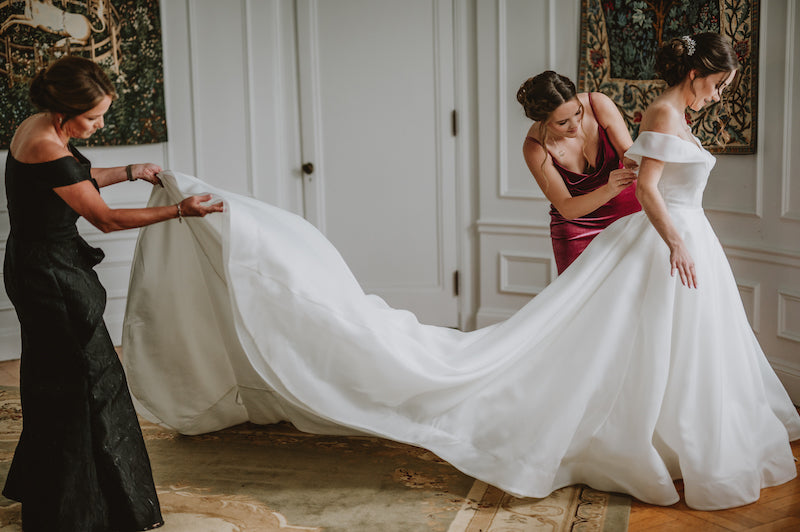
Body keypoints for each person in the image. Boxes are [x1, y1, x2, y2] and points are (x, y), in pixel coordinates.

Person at [122, 34, 800, 511]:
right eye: (557, 123)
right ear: (539, 123)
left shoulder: (607, 106)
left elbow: (635, 162)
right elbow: (576, 200)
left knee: (636, 336)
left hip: (634, 222)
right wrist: (648, 206)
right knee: (579, 336)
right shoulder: (540, 146)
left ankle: (647, 426)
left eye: (571, 116)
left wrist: (641, 191)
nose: (569, 127)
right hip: (589, 223)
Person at [2, 55, 222, 531]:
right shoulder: (45, 145)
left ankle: (57, 497)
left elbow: (69, 184)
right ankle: (80, 511)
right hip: (52, 278)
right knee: (91, 383)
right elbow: (105, 218)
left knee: (58, 380)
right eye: (93, 117)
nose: (100, 125)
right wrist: (180, 211)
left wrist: (129, 170)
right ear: (63, 111)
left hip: (37, 265)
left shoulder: (41, 127)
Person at [517, 71, 641, 273]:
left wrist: (640, 158)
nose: (575, 125)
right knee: (580, 300)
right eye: (562, 122)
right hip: (578, 228)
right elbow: (567, 208)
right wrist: (609, 190)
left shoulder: (598, 104)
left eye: (577, 112)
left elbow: (628, 154)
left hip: (629, 215)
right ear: (543, 121)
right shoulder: (535, 147)